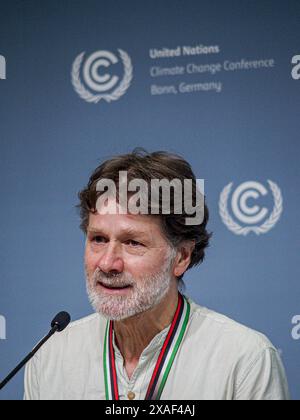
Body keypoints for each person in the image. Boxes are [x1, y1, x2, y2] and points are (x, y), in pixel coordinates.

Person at [24, 149, 290, 400]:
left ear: (181, 257)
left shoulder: (245, 359)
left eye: (133, 243)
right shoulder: (50, 356)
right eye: (99, 239)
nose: (107, 263)